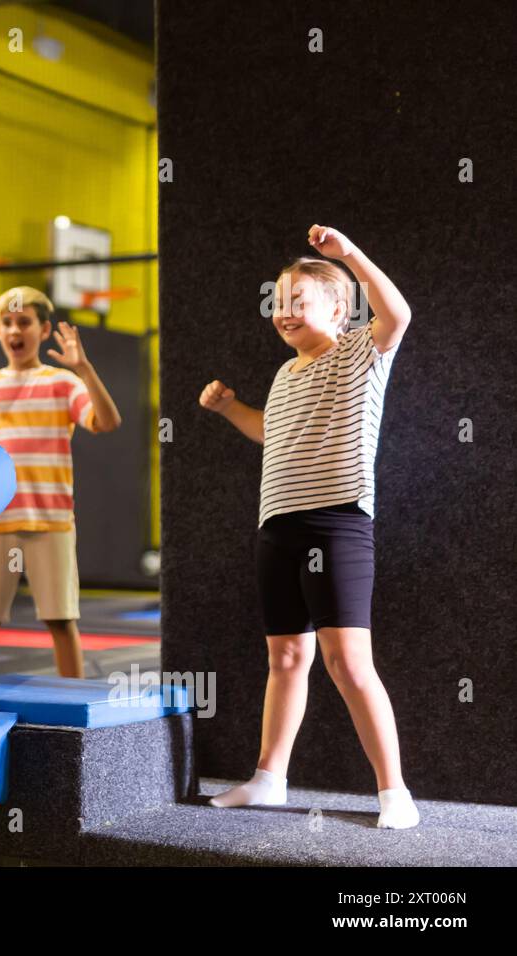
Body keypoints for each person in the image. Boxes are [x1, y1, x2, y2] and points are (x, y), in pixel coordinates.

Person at [198, 224, 418, 829]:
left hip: (338, 524)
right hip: (279, 527)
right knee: (287, 657)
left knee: (348, 660)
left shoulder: (360, 352)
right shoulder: (286, 374)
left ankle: (394, 791)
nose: (285, 313)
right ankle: (270, 778)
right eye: (279, 303)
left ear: (341, 310)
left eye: (300, 302)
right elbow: (272, 432)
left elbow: (396, 313)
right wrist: (228, 410)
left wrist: (347, 256)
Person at [0, 286, 121, 679]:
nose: (16, 330)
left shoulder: (62, 383)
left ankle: (73, 699)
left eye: (25, 322)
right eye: (8, 322)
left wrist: (84, 369)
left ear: (44, 330)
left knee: (62, 619)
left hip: (51, 522)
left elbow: (107, 422)